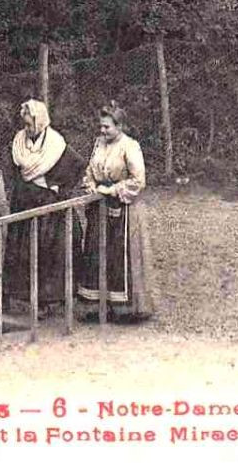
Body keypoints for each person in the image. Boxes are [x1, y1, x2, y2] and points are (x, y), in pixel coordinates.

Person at [75, 102, 157, 321]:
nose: (102, 131)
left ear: (119, 126)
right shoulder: (98, 144)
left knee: (119, 255)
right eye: (101, 127)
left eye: (107, 127)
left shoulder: (130, 146)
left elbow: (138, 180)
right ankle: (98, 306)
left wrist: (112, 190)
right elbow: (90, 170)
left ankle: (124, 309)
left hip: (122, 207)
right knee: (95, 253)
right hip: (98, 205)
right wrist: (91, 184)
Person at [4, 99, 83, 314]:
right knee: (21, 249)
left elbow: (77, 165)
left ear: (40, 122)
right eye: (25, 124)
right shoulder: (19, 142)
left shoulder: (55, 143)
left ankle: (52, 299)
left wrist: (58, 188)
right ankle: (24, 298)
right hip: (24, 201)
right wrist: (20, 188)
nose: (27, 129)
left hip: (49, 205)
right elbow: (13, 170)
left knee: (50, 249)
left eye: (30, 124)